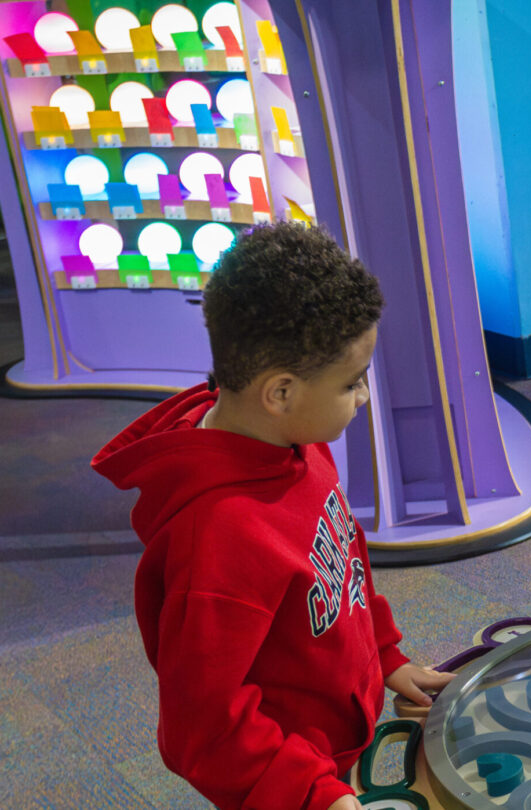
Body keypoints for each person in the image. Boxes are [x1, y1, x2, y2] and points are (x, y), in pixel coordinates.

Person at [93, 222, 454, 810]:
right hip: (286, 786)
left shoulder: (293, 442)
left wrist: (384, 656)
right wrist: (312, 793)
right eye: (352, 383)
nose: (363, 398)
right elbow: (201, 728)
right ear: (280, 392)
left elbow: (342, 562)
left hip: (331, 754)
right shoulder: (217, 539)